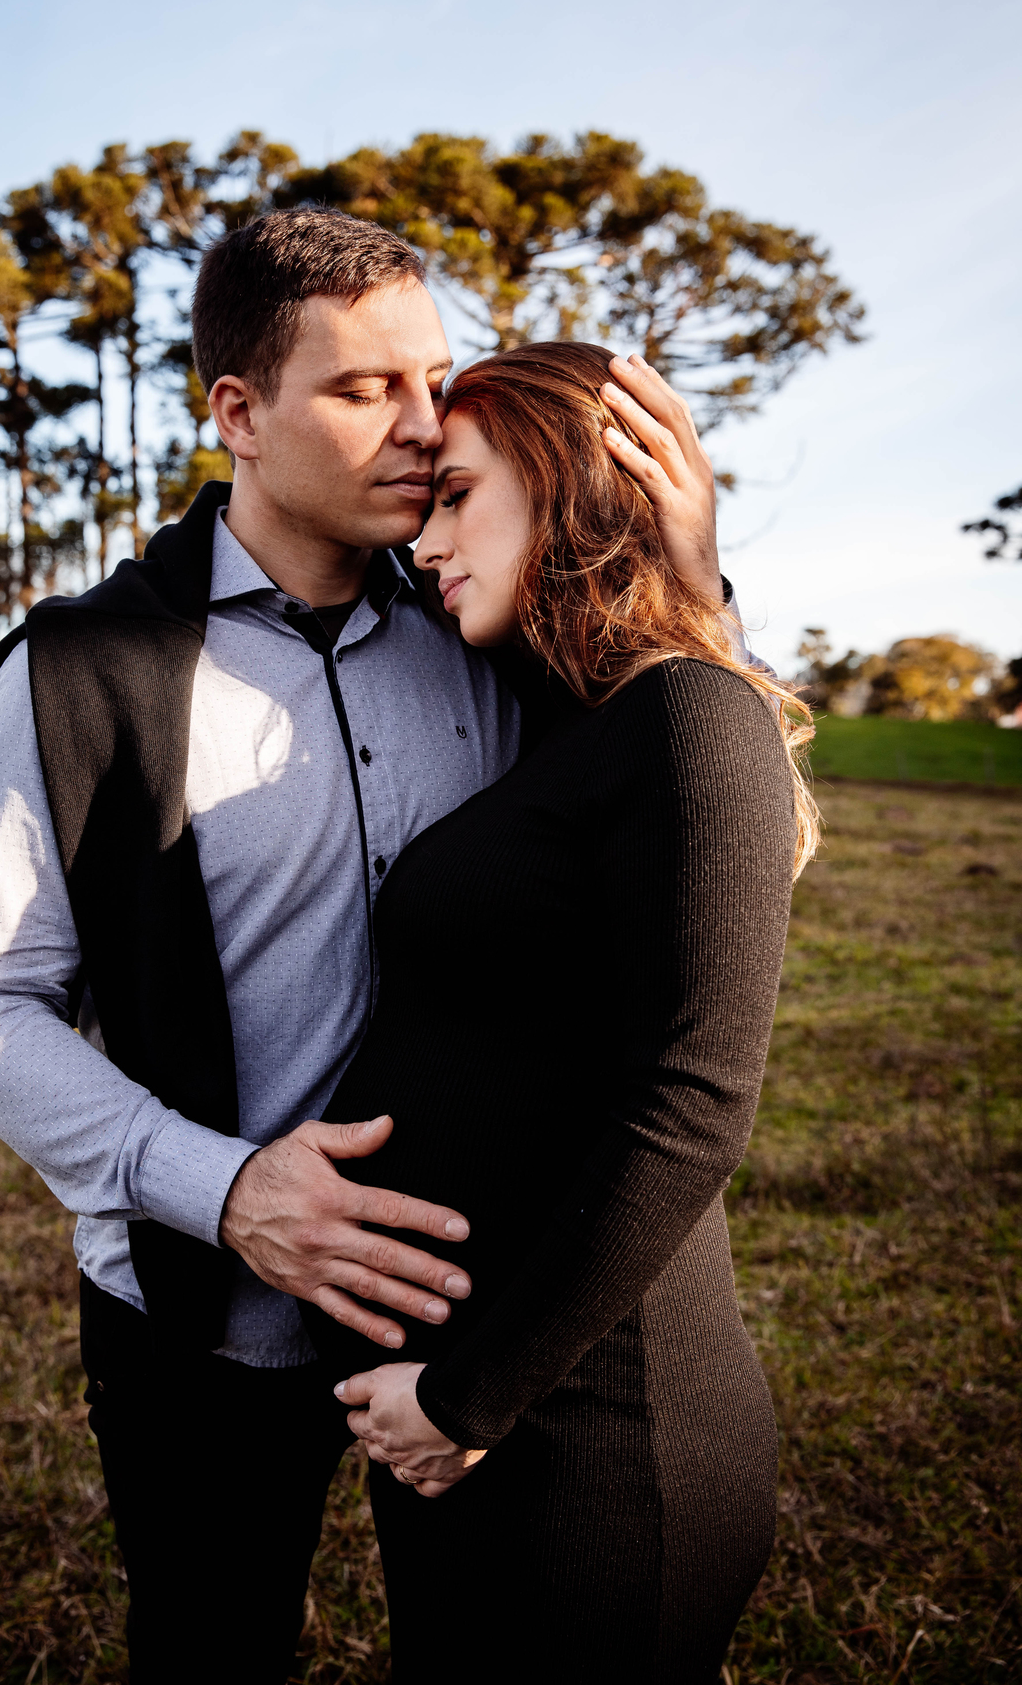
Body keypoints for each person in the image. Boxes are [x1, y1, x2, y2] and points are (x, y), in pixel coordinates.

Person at [0, 208, 732, 1683]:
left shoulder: (489, 628)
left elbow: (691, 816)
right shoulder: (76, 672)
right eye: (364, 389)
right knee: (212, 1647)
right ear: (237, 412)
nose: (421, 424)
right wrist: (227, 1193)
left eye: (432, 380)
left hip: (462, 1325)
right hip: (202, 1318)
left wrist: (693, 571)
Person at [307, 342, 818, 1683]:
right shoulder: (565, 724)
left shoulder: (691, 719)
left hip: (596, 1434)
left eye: (458, 496)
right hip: (484, 1418)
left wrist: (468, 1397)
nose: (425, 544)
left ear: (570, 484)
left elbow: (694, 1107)